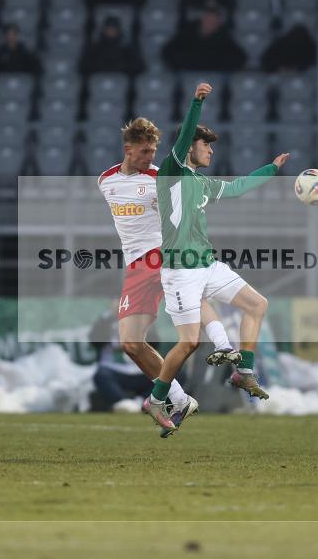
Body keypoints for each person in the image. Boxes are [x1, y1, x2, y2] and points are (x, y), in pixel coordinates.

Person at [145, 82, 290, 432]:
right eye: (205, 144)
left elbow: (238, 187)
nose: (210, 150)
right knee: (189, 343)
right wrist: (196, 103)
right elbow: (182, 140)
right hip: (180, 272)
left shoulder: (204, 184)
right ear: (189, 146)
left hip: (207, 266)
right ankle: (156, 397)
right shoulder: (173, 172)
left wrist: (270, 169)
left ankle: (244, 372)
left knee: (257, 305)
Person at [98, 115, 238, 436]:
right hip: (136, 266)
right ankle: (178, 397)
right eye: (145, 151)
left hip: (162, 258)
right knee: (131, 344)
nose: (151, 157)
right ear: (128, 149)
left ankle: (221, 340)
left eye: (154, 150)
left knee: (191, 317)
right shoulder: (106, 180)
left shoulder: (162, 178)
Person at [89, 309, 155, 412]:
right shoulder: (104, 321)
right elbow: (94, 340)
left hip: (139, 370)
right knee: (101, 375)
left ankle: (140, 402)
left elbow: (155, 344)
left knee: (172, 373)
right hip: (112, 370)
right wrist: (105, 322)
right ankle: (124, 403)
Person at [161, 1, 246, 72]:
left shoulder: (224, 37)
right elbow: (168, 51)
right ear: (203, 19)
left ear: (219, 23)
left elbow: (239, 57)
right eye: (208, 20)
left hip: (213, 77)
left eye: (213, 22)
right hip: (186, 74)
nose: (210, 24)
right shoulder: (187, 33)